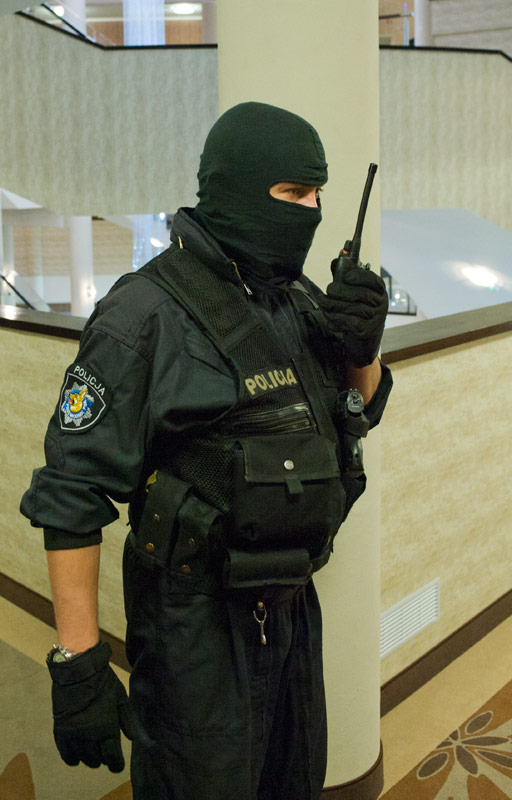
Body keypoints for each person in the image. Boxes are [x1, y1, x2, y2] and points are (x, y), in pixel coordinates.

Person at [21, 101, 392, 800]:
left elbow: (359, 412)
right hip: (193, 622)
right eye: (293, 192)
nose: (310, 211)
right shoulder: (145, 313)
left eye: (317, 194)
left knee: (293, 781)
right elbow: (71, 491)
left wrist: (363, 348)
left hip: (291, 607)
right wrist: (78, 659)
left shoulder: (297, 299)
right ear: (239, 187)